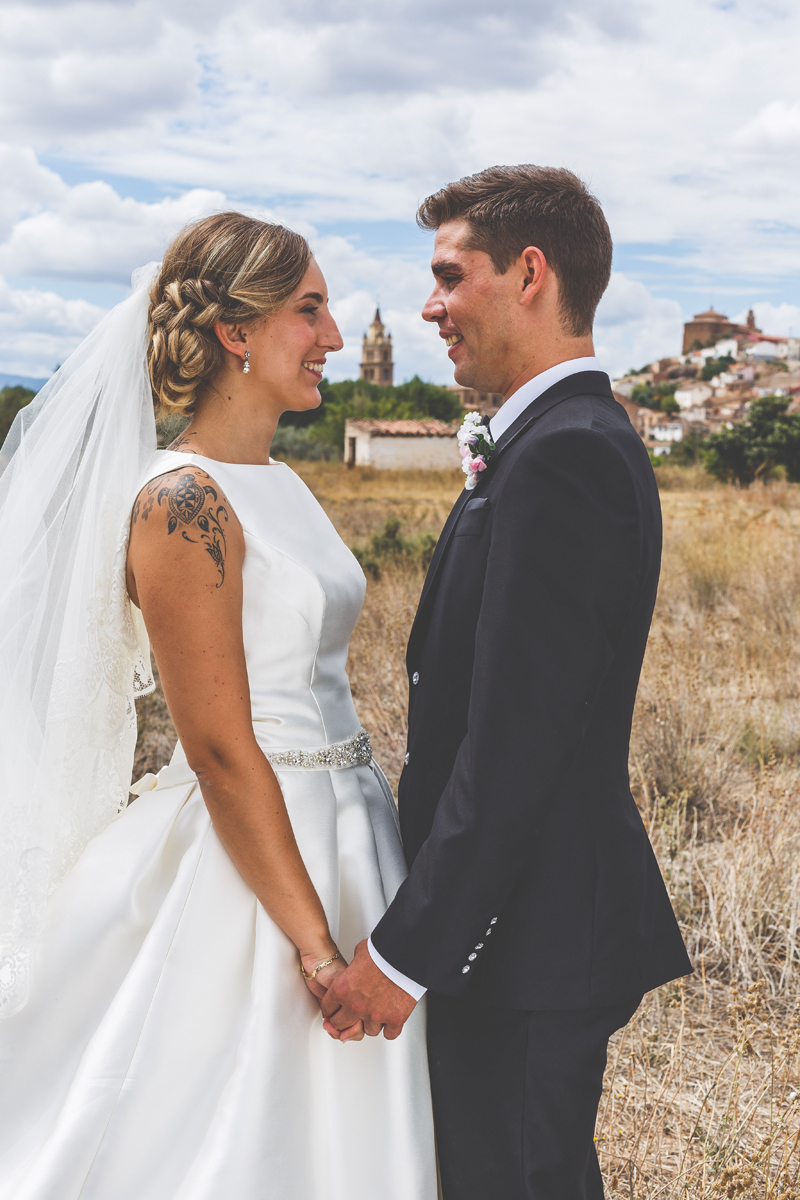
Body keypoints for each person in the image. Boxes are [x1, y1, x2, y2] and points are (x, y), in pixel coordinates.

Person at [0, 213, 436, 1199]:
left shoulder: (278, 479)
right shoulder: (179, 502)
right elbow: (219, 746)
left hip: (350, 834)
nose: (330, 337)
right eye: (309, 310)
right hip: (250, 867)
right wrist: (317, 948)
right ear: (236, 333)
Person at [322, 166, 693, 1198]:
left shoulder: (562, 455)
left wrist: (405, 956)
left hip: (526, 938)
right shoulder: (546, 438)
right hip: (521, 929)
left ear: (529, 272)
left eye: (448, 276)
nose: (430, 307)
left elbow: (515, 744)